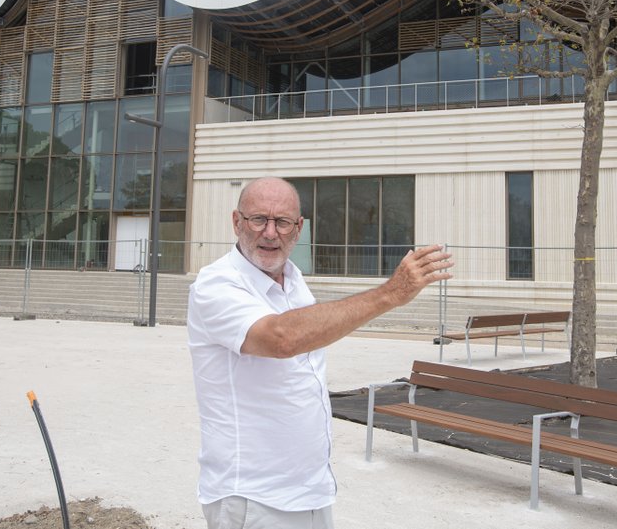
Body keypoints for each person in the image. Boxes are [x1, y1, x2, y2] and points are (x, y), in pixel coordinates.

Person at [187, 176, 452, 529]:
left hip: (310, 492)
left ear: (298, 228)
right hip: (253, 498)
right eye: (258, 219)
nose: (270, 232)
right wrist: (390, 293)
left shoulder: (294, 280)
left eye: (281, 222)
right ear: (237, 222)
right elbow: (281, 338)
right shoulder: (217, 284)